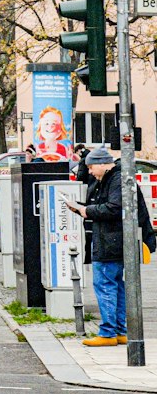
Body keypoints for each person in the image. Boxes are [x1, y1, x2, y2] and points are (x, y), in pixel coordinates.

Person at [64, 146, 156, 346]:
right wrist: (81, 208)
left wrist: (86, 210)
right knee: (116, 285)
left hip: (110, 242)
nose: (89, 172)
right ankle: (120, 331)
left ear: (102, 164)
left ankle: (107, 333)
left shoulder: (116, 180)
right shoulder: (114, 179)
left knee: (105, 285)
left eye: (91, 168)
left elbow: (114, 208)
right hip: (114, 240)